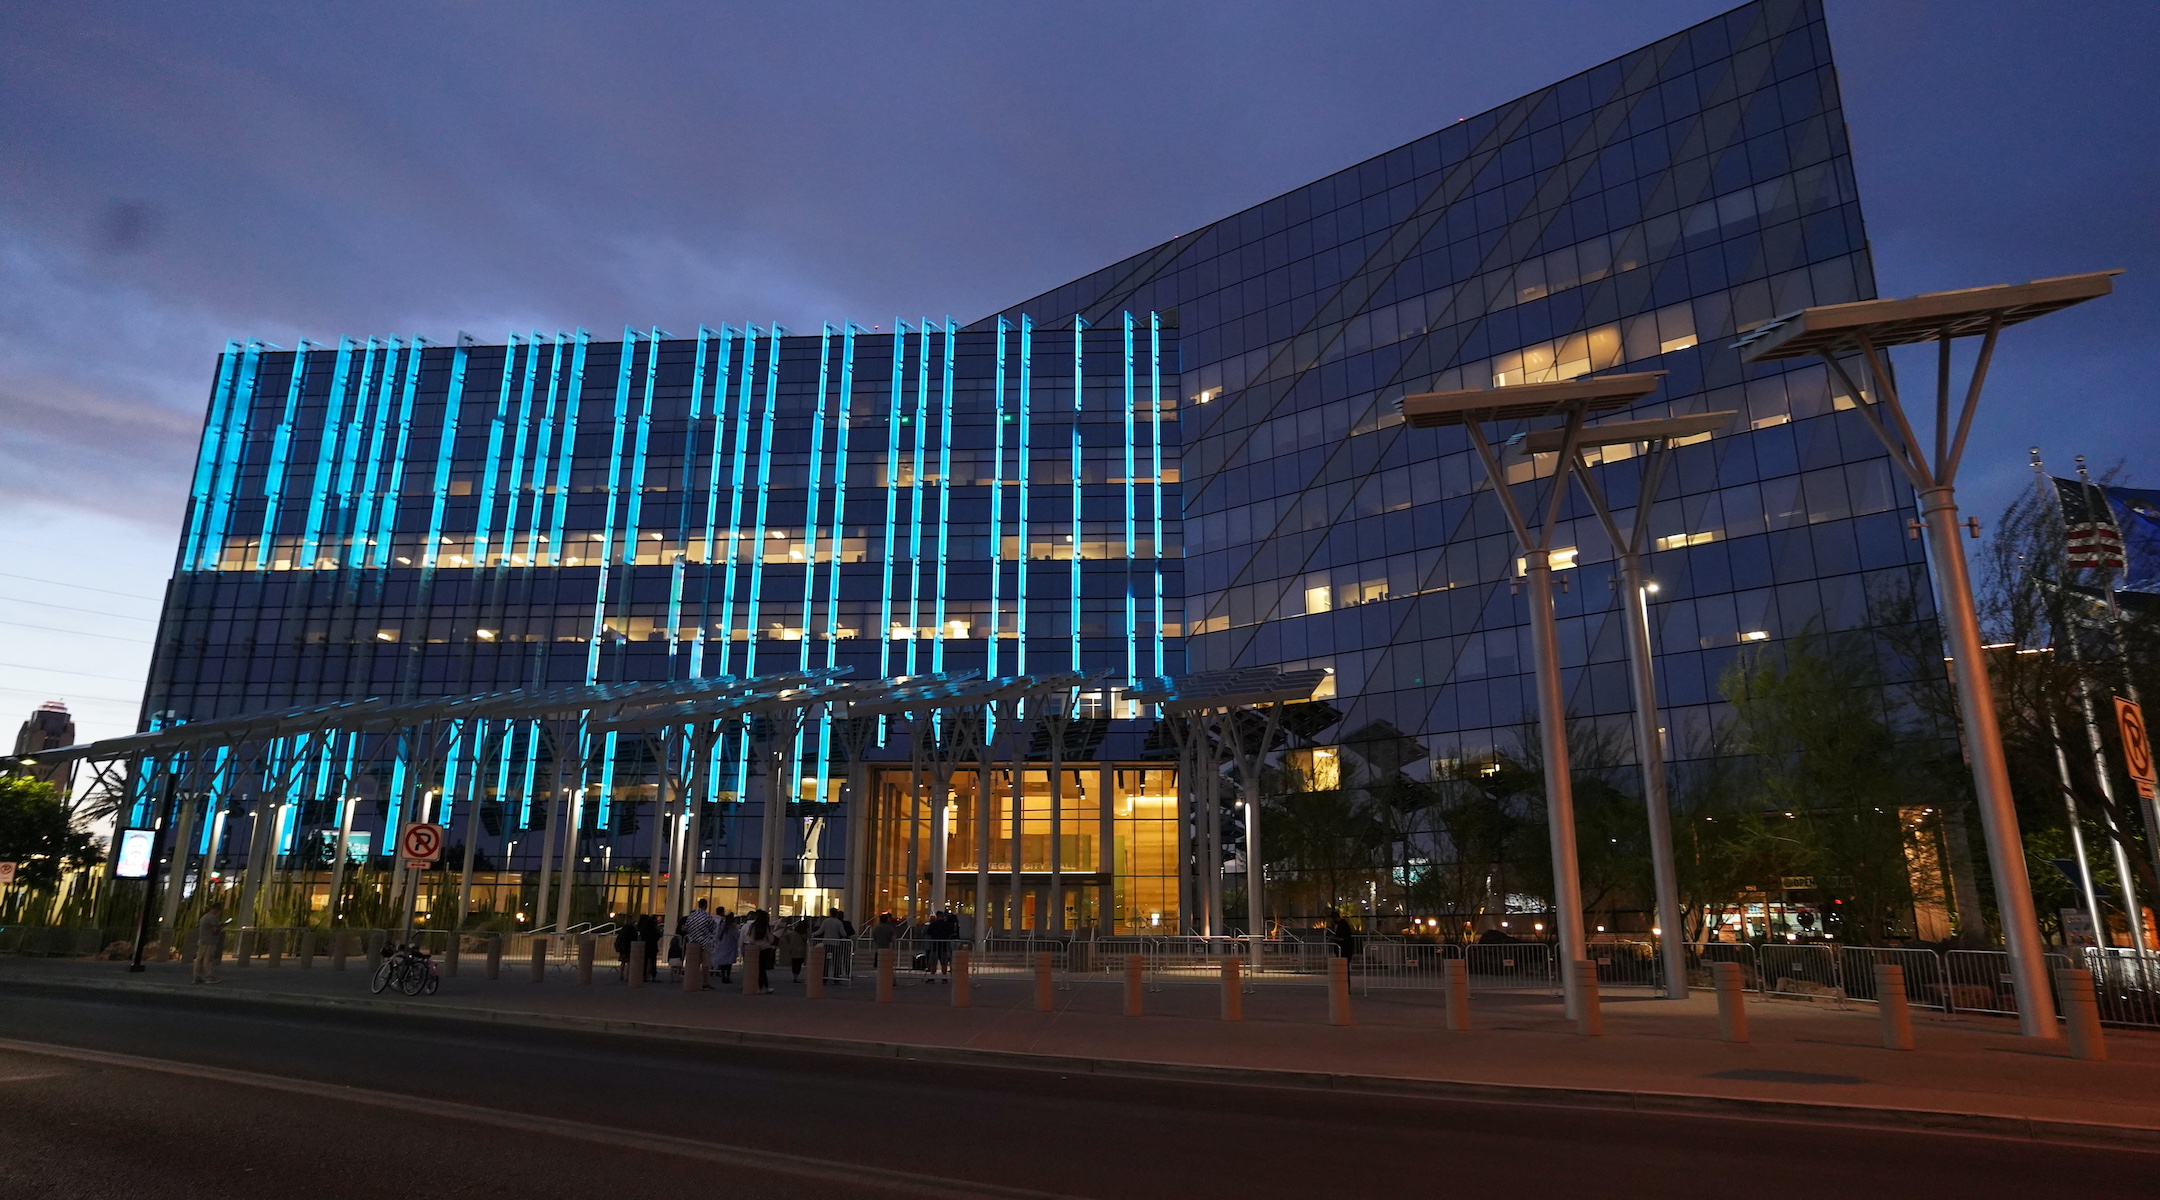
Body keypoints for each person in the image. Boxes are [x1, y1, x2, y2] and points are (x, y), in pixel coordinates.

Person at [680, 898, 720, 990]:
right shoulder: (707, 916)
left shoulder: (692, 915)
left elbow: (687, 927)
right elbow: (713, 927)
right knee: (706, 963)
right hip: (705, 941)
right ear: (706, 905)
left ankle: (692, 981)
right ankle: (705, 982)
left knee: (693, 963)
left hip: (693, 942)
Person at [816, 908, 853, 981]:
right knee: (836, 961)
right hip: (836, 944)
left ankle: (824, 977)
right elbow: (843, 933)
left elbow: (820, 931)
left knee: (826, 961)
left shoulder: (826, 921)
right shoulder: (838, 922)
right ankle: (836, 978)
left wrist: (813, 934)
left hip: (826, 943)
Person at [192, 902, 225, 984]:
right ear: (217, 910)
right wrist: (221, 926)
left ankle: (197, 977)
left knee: (199, 959)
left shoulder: (204, 916)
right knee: (208, 960)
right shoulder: (213, 918)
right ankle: (208, 977)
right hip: (209, 942)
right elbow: (215, 931)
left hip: (202, 940)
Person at [745, 910, 776, 993]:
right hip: (765, 948)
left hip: (756, 949)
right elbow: (771, 939)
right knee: (763, 969)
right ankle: (764, 986)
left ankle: (760, 986)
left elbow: (751, 939)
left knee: (758, 969)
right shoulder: (766, 927)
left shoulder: (753, 926)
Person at [925, 908, 957, 982]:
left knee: (933, 963)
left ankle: (932, 978)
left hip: (934, 945)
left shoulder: (933, 924)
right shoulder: (947, 924)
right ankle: (944, 978)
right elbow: (951, 932)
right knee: (944, 963)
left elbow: (929, 933)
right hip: (944, 945)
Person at [713, 909, 740, 985]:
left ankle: (723, 976)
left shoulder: (722, 925)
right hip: (731, 945)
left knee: (723, 962)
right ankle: (727, 976)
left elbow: (718, 935)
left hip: (722, 945)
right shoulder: (733, 926)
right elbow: (737, 936)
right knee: (729, 963)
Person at [779, 917, 808, 983]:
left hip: (793, 949)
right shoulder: (804, 934)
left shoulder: (793, 933)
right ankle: (796, 976)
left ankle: (794, 976)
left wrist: (790, 943)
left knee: (794, 963)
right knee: (799, 964)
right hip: (801, 950)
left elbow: (785, 936)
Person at [637, 912, 662, 982]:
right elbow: (659, 934)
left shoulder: (644, 928)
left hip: (645, 946)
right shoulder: (654, 927)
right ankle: (653, 975)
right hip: (653, 946)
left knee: (645, 962)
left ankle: (644, 975)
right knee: (653, 962)